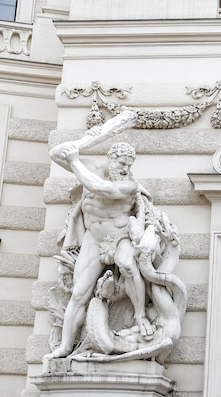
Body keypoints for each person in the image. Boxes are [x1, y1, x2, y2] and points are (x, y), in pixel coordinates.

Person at [44, 111, 156, 359]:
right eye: (122, 163)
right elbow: (55, 152)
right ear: (110, 159)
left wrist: (75, 162)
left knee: (127, 265)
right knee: (78, 293)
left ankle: (139, 315)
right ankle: (65, 346)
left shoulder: (128, 185)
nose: (126, 169)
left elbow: (100, 188)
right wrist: (90, 140)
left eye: (129, 165)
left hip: (119, 235)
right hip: (93, 240)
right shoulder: (92, 168)